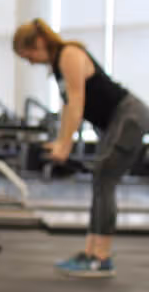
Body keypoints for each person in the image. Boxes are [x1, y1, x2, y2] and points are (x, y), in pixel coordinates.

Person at [13, 18, 149, 278]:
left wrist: (66, 144)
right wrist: (61, 141)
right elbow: (68, 107)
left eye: (28, 53)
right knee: (100, 179)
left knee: (104, 178)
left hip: (129, 116)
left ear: (39, 42)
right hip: (115, 121)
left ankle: (101, 257)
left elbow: (77, 102)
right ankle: (91, 252)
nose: (29, 61)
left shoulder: (70, 54)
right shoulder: (58, 66)